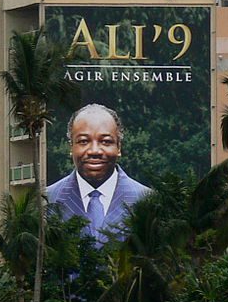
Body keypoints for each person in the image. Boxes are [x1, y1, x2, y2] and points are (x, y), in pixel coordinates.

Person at [45, 103, 151, 244]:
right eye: (83, 141)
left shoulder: (147, 202)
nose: (94, 151)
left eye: (105, 141)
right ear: (71, 146)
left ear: (119, 147)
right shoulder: (45, 201)